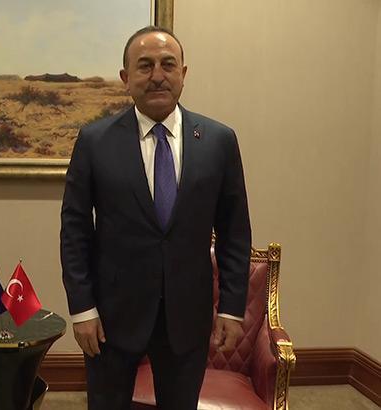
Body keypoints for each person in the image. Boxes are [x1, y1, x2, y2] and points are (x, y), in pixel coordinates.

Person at [60, 26, 251, 409]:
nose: (158, 75)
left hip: (187, 315)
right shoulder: (95, 141)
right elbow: (75, 231)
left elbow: (234, 232)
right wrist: (82, 309)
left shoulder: (219, 141)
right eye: (145, 66)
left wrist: (231, 309)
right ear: (125, 77)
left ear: (183, 73)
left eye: (168, 64)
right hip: (111, 317)